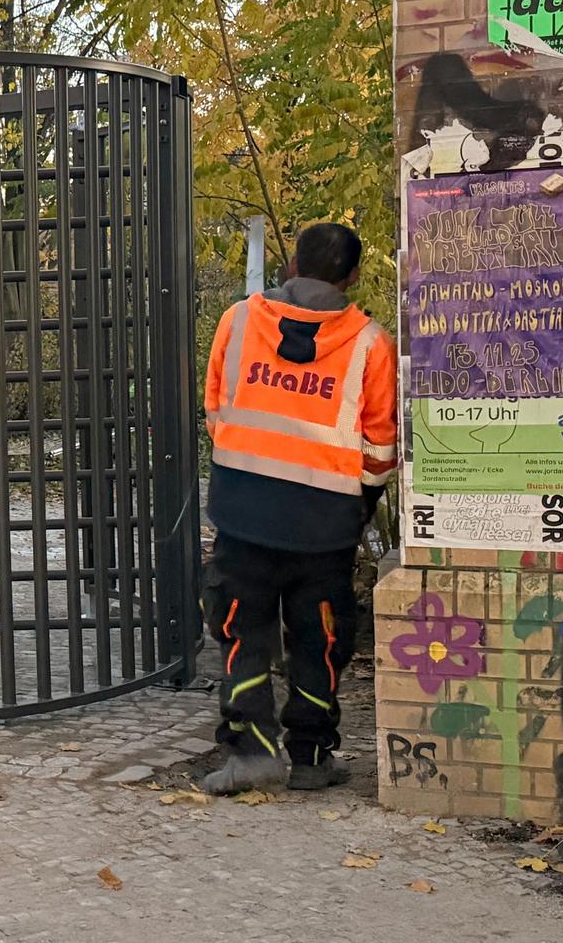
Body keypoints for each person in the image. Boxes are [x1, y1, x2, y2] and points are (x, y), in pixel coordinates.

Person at [199, 222, 398, 794]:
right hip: (325, 526)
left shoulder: (238, 321)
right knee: (320, 640)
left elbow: (216, 411)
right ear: (353, 276)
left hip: (243, 513)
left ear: (291, 265)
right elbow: (380, 450)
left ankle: (251, 754)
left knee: (241, 632)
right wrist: (356, 507)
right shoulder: (371, 344)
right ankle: (311, 757)